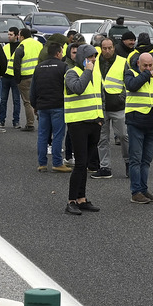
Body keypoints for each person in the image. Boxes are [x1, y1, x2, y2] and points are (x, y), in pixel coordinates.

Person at [64, 43, 103, 215]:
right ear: (81, 58)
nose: (93, 60)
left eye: (95, 57)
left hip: (94, 123)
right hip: (78, 123)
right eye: (90, 57)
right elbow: (78, 89)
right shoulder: (72, 72)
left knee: (86, 163)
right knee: (80, 163)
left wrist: (101, 118)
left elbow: (100, 96)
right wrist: (87, 71)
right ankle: (71, 200)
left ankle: (82, 199)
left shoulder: (96, 74)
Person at [125, 52, 153, 204]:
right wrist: (146, 75)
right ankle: (135, 192)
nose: (149, 68)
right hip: (136, 122)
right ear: (138, 63)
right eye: (145, 66)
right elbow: (132, 86)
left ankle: (144, 190)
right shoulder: (130, 73)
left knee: (146, 160)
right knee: (135, 159)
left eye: (151, 65)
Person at [30, 41, 70, 172]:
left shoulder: (39, 67)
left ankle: (42, 164)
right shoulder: (63, 67)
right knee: (58, 135)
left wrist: (34, 105)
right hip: (58, 105)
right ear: (58, 53)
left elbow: (33, 89)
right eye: (62, 52)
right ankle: (57, 163)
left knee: (42, 135)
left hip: (42, 106)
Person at [94, 37, 126, 179]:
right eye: (104, 48)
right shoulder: (94, 62)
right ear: (101, 48)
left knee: (124, 136)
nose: (107, 51)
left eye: (110, 48)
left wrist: (122, 98)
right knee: (102, 138)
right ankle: (105, 167)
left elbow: (128, 83)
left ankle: (129, 164)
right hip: (100, 107)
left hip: (118, 106)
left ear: (114, 48)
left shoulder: (122, 62)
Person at [13, 28, 42, 131]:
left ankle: (30, 124)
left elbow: (16, 65)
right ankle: (42, 121)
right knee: (39, 100)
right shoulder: (39, 44)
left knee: (27, 101)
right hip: (39, 76)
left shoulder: (21, 47)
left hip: (25, 78)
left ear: (22, 37)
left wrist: (17, 80)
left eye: (19, 35)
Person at [0, 27, 23, 130]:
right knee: (3, 100)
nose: (9, 36)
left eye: (11, 35)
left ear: (17, 36)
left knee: (16, 100)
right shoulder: (5, 47)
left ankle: (16, 121)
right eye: (8, 34)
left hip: (15, 77)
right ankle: (1, 121)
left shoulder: (21, 47)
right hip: (5, 77)